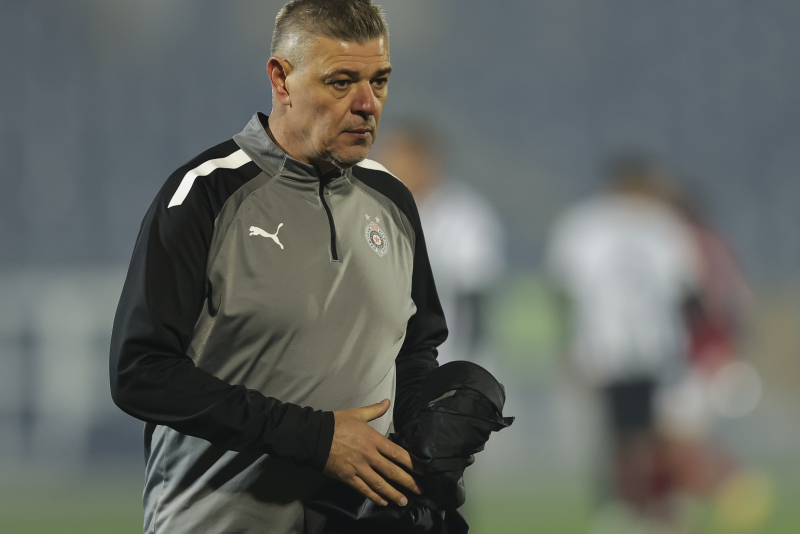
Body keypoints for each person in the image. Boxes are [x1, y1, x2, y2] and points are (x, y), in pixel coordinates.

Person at [109, 2, 447, 533]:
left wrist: (428, 434)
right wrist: (317, 439)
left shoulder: (394, 199)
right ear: (281, 79)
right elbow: (140, 372)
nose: (367, 104)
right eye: (341, 82)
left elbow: (414, 348)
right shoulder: (205, 196)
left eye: (379, 81)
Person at [545, 157, 701, 531]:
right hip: (642, 345)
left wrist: (568, 344)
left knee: (627, 433)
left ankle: (635, 504)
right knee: (634, 433)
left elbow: (563, 290)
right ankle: (636, 504)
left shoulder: (586, 223)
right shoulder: (661, 224)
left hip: (619, 345)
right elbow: (689, 289)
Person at [376, 123, 505, 364]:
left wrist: (466, 365)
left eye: (398, 160)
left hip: (441, 360)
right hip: (378, 363)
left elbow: (476, 300)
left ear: (426, 162)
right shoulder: (370, 209)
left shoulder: (464, 216)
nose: (386, 167)